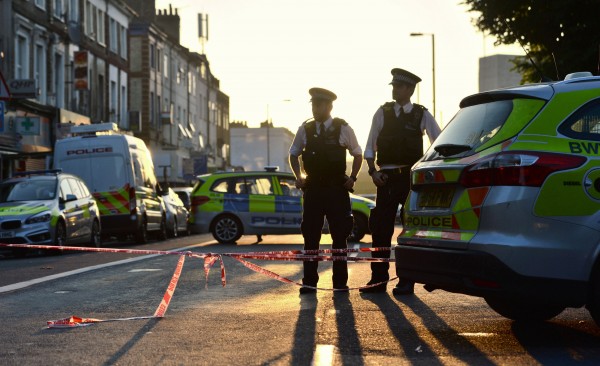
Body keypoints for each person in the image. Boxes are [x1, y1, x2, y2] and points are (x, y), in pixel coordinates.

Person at [360, 68, 441, 295]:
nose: (394, 89)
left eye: (398, 86)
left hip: (409, 179)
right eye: (393, 86)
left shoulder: (421, 114)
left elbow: (438, 142)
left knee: (410, 231)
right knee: (381, 230)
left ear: (409, 89)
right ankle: (378, 280)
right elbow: (369, 146)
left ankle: (407, 281)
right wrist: (372, 171)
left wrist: (426, 171)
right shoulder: (382, 112)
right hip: (385, 179)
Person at [289, 87, 363, 294]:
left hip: (336, 189)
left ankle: (340, 283)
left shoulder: (343, 128)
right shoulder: (306, 129)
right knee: (310, 236)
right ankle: (309, 282)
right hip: (313, 189)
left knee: (340, 237)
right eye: (312, 104)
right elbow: (293, 154)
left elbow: (358, 154)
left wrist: (353, 178)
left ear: (329, 106)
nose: (314, 108)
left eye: (318, 105)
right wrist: (299, 178)